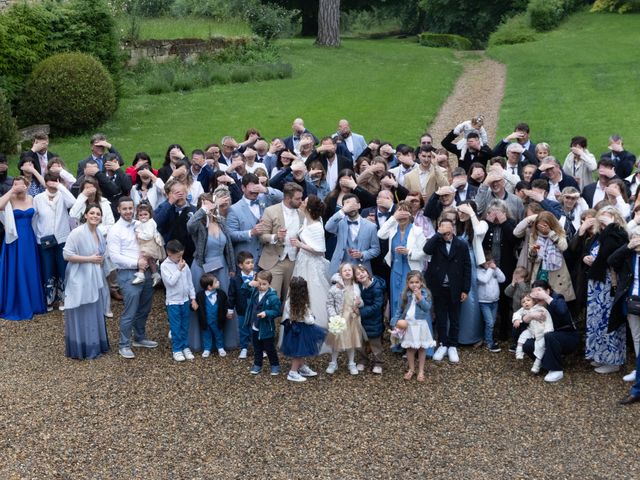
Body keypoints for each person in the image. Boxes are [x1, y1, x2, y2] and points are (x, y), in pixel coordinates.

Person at [107, 197, 158, 359]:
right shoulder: (115, 230)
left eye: (130, 208)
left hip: (147, 271)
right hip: (128, 274)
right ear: (119, 210)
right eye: (125, 209)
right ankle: (124, 344)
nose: (128, 211)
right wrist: (136, 263)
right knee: (130, 310)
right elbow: (114, 257)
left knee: (145, 307)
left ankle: (140, 337)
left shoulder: (140, 224)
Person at [584, 206, 629, 374]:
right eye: (601, 216)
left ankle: (613, 361)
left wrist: (611, 226)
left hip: (610, 283)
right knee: (595, 321)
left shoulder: (618, 234)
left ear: (615, 218)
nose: (603, 219)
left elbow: (613, 252)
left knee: (608, 320)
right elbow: (595, 253)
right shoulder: (598, 235)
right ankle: (598, 355)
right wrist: (587, 258)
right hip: (596, 284)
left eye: (607, 216)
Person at [62, 204, 110, 360]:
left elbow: (101, 254)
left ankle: (95, 343)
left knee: (94, 309)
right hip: (79, 276)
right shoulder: (76, 233)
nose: (95, 216)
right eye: (92, 213)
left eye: (98, 213)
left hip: (95, 276)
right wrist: (89, 259)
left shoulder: (99, 233)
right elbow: (67, 255)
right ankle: (81, 347)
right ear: (86, 215)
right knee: (81, 308)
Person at [423, 218, 471, 363]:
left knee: (455, 317)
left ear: (453, 228)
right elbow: (426, 250)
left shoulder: (461, 245)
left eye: (448, 227)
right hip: (438, 286)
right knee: (441, 316)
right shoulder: (436, 242)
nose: (446, 230)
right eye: (442, 227)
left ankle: (453, 345)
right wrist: (438, 235)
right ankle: (443, 343)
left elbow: (467, 268)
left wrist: (465, 289)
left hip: (455, 287)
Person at [0, 177, 47, 320]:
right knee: (16, 268)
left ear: (27, 186)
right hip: (14, 239)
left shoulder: (32, 198)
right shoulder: (11, 198)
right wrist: (12, 191)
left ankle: (33, 303)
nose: (18, 186)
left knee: (29, 268)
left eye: (21, 184)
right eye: (15, 184)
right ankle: (16, 303)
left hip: (29, 238)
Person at [32, 173, 76, 311]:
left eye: (55, 181)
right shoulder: (38, 198)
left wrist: (60, 187)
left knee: (63, 268)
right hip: (44, 239)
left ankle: (63, 299)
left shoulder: (63, 195)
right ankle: (49, 299)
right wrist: (37, 236)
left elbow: (73, 203)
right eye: (50, 181)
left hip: (62, 238)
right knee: (47, 268)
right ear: (45, 182)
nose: (52, 183)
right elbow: (34, 219)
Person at [377, 200, 427, 319]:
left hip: (411, 271)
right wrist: (393, 218)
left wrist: (409, 252)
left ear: (410, 215)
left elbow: (425, 253)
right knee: (396, 299)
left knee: (411, 300)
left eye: (405, 213)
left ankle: (412, 332)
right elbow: (380, 234)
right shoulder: (392, 229)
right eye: (400, 213)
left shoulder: (417, 231)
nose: (402, 216)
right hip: (395, 270)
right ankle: (398, 331)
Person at [290, 195, 331, 334]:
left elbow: (320, 251)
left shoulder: (316, 226)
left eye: (304, 202)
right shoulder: (307, 221)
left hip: (311, 263)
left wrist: (300, 244)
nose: (301, 202)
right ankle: (299, 320)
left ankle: (316, 327)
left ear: (309, 208)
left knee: (312, 290)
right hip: (302, 261)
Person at [525, 281, 579, 383]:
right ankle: (546, 364)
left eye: (539, 292)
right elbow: (522, 321)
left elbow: (562, 311)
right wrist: (530, 316)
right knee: (527, 344)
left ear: (548, 291)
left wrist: (546, 297)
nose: (537, 296)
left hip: (567, 336)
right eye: (535, 293)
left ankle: (556, 370)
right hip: (546, 338)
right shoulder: (534, 305)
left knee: (549, 336)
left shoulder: (557, 298)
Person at [258, 182, 304, 301]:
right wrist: (275, 237)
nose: (301, 201)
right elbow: (262, 236)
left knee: (289, 299)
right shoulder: (270, 211)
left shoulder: (302, 214)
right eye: (298, 199)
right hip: (274, 261)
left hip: (294, 261)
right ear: (288, 198)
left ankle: (286, 320)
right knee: (273, 299)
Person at [226, 173, 283, 269]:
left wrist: (265, 189)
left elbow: (282, 197)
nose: (254, 193)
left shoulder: (265, 199)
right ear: (243, 188)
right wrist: (251, 232)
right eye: (251, 190)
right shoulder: (234, 209)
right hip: (247, 259)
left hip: (267, 257)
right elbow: (231, 234)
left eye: (256, 190)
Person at [391, 271, 436, 382]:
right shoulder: (405, 294)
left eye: (417, 282)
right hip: (409, 325)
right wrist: (394, 322)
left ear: (421, 283)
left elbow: (427, 308)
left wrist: (420, 297)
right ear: (407, 283)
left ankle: (421, 370)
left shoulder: (426, 293)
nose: (414, 285)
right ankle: (411, 369)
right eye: (412, 282)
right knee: (410, 348)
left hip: (420, 325)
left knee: (422, 348)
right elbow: (399, 310)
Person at [280, 277, 327, 382]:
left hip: (293, 329)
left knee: (300, 350)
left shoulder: (289, 301)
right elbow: (309, 321)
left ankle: (301, 367)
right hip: (301, 331)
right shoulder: (302, 305)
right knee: (299, 352)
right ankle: (292, 372)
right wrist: (312, 317)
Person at [325, 193, 380, 277]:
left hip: (361, 271)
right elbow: (328, 227)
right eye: (348, 205)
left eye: (353, 205)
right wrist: (342, 211)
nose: (351, 208)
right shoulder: (340, 223)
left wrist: (362, 254)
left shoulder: (371, 226)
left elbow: (376, 249)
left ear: (359, 205)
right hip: (341, 269)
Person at [456, 201, 488, 345]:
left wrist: (471, 214)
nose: (460, 214)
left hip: (470, 261)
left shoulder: (480, 224)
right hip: (456, 262)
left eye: (463, 211)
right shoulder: (458, 227)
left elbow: (480, 232)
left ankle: (471, 335)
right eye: (459, 211)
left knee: (470, 297)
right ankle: (456, 335)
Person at [325, 263, 365, 375]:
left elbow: (361, 302)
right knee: (336, 342)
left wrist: (359, 303)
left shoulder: (356, 287)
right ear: (340, 274)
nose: (347, 272)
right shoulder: (335, 288)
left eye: (349, 270)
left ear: (352, 273)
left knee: (351, 341)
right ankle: (333, 362)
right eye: (344, 270)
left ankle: (351, 363)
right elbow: (329, 304)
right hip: (340, 318)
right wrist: (333, 317)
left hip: (352, 318)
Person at [161, 240, 197, 362]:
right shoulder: (164, 266)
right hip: (173, 302)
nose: (180, 258)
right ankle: (177, 349)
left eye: (181, 255)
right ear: (169, 254)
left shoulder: (184, 265)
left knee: (185, 325)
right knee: (176, 327)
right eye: (177, 256)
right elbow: (170, 282)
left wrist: (193, 298)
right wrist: (178, 269)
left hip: (185, 300)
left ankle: (185, 346)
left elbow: (189, 282)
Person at [528, 211, 575, 301]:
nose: (542, 228)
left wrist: (550, 233)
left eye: (544, 225)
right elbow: (531, 259)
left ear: (551, 224)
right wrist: (533, 252)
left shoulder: (559, 232)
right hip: (540, 270)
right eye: (540, 226)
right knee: (540, 299)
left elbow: (563, 247)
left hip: (557, 271)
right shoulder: (534, 235)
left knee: (556, 300)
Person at [245, 270, 282, 376]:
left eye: (264, 284)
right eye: (259, 283)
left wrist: (267, 313)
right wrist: (249, 284)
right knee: (257, 348)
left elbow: (277, 311)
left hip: (266, 328)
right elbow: (244, 290)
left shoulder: (273, 297)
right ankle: (257, 364)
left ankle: (275, 365)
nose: (261, 286)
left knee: (270, 348)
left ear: (269, 283)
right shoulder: (254, 292)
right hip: (255, 326)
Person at [155, 180, 196, 265]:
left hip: (189, 255)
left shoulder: (194, 210)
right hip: (169, 255)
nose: (179, 196)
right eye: (175, 193)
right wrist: (170, 202)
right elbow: (156, 223)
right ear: (169, 194)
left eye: (181, 193)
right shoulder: (165, 207)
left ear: (186, 193)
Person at [354, 265, 386, 374]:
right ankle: (363, 359)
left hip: (373, 319)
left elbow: (377, 305)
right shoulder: (358, 287)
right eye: (358, 274)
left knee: (375, 343)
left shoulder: (376, 287)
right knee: (360, 341)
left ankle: (378, 363)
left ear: (368, 273)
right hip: (361, 320)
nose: (361, 274)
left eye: (363, 272)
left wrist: (361, 312)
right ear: (356, 278)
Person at [512, 294, 553, 373]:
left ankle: (537, 365)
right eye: (523, 302)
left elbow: (548, 320)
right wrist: (516, 320)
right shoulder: (523, 310)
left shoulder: (540, 309)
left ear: (533, 301)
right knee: (522, 336)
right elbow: (516, 314)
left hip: (542, 332)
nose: (526, 303)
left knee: (540, 347)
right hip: (531, 330)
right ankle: (519, 351)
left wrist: (548, 330)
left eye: (528, 300)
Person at [195, 273, 232, 359]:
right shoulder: (200, 296)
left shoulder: (222, 294)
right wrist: (193, 307)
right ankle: (207, 348)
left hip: (218, 319)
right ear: (209, 287)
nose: (218, 282)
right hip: (205, 320)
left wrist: (227, 312)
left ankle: (220, 347)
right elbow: (196, 305)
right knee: (206, 335)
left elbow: (226, 304)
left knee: (219, 334)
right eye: (216, 282)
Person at [228, 251, 256, 359]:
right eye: (248, 263)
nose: (251, 265)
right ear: (240, 265)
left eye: (252, 262)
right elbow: (231, 295)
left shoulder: (258, 277)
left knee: (256, 328)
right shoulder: (235, 280)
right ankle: (244, 348)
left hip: (255, 309)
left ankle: (258, 348)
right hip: (242, 309)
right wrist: (230, 310)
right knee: (243, 329)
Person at [477, 254, 505, 352]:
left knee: (492, 322)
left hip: (494, 301)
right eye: (487, 262)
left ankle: (488, 339)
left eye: (491, 262)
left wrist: (496, 269)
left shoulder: (493, 270)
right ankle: (489, 342)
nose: (490, 264)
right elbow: (484, 280)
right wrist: (490, 269)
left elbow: (502, 279)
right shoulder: (478, 271)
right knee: (489, 322)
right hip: (484, 302)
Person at [132, 203, 164, 287]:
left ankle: (141, 273)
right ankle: (156, 274)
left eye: (145, 214)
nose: (143, 216)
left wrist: (138, 235)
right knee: (151, 261)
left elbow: (149, 235)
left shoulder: (151, 222)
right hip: (146, 243)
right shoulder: (140, 223)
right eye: (140, 215)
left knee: (143, 256)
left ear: (150, 214)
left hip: (150, 243)